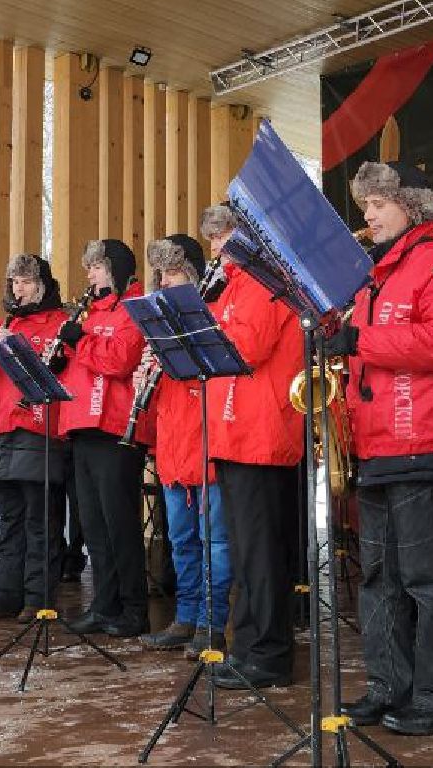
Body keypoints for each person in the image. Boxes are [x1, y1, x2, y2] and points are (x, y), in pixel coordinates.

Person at [324, 160, 433, 737]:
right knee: (378, 578)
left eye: (378, 204)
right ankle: (390, 685)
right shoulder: (377, 274)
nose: (367, 215)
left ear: (410, 204)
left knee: (426, 580)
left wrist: (360, 337)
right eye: (364, 205)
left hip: (426, 439)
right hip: (378, 444)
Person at [200, 202, 306, 692]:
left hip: (261, 432)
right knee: (246, 553)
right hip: (237, 430)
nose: (216, 250)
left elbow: (246, 347)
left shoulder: (265, 281)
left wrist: (204, 326)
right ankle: (248, 647)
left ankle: (268, 653)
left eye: (223, 239)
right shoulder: (238, 286)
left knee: (261, 554)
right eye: (213, 241)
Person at [139, 233, 232, 654]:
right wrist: (147, 376)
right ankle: (186, 616)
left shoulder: (213, 316)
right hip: (173, 446)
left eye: (174, 272)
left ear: (193, 275)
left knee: (214, 539)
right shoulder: (159, 324)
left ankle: (212, 622)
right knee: (180, 538)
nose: (165, 282)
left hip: (208, 441)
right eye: (161, 274)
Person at [0, 254, 73, 622]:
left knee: (40, 520)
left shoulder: (59, 322)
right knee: (9, 518)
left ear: (42, 285)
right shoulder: (0, 325)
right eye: (15, 282)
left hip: (36, 423)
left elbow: (61, 373)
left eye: (26, 282)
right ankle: (5, 595)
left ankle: (38, 597)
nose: (19, 289)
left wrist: (16, 348)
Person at [54, 239, 150, 637]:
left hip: (114, 429)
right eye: (89, 267)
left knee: (120, 522)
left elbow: (119, 360)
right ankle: (104, 604)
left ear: (115, 269)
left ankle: (134, 608)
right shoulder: (89, 313)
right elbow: (80, 367)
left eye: (96, 266)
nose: (89, 274)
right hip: (81, 426)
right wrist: (62, 356)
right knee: (92, 523)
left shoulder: (132, 310)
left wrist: (79, 341)